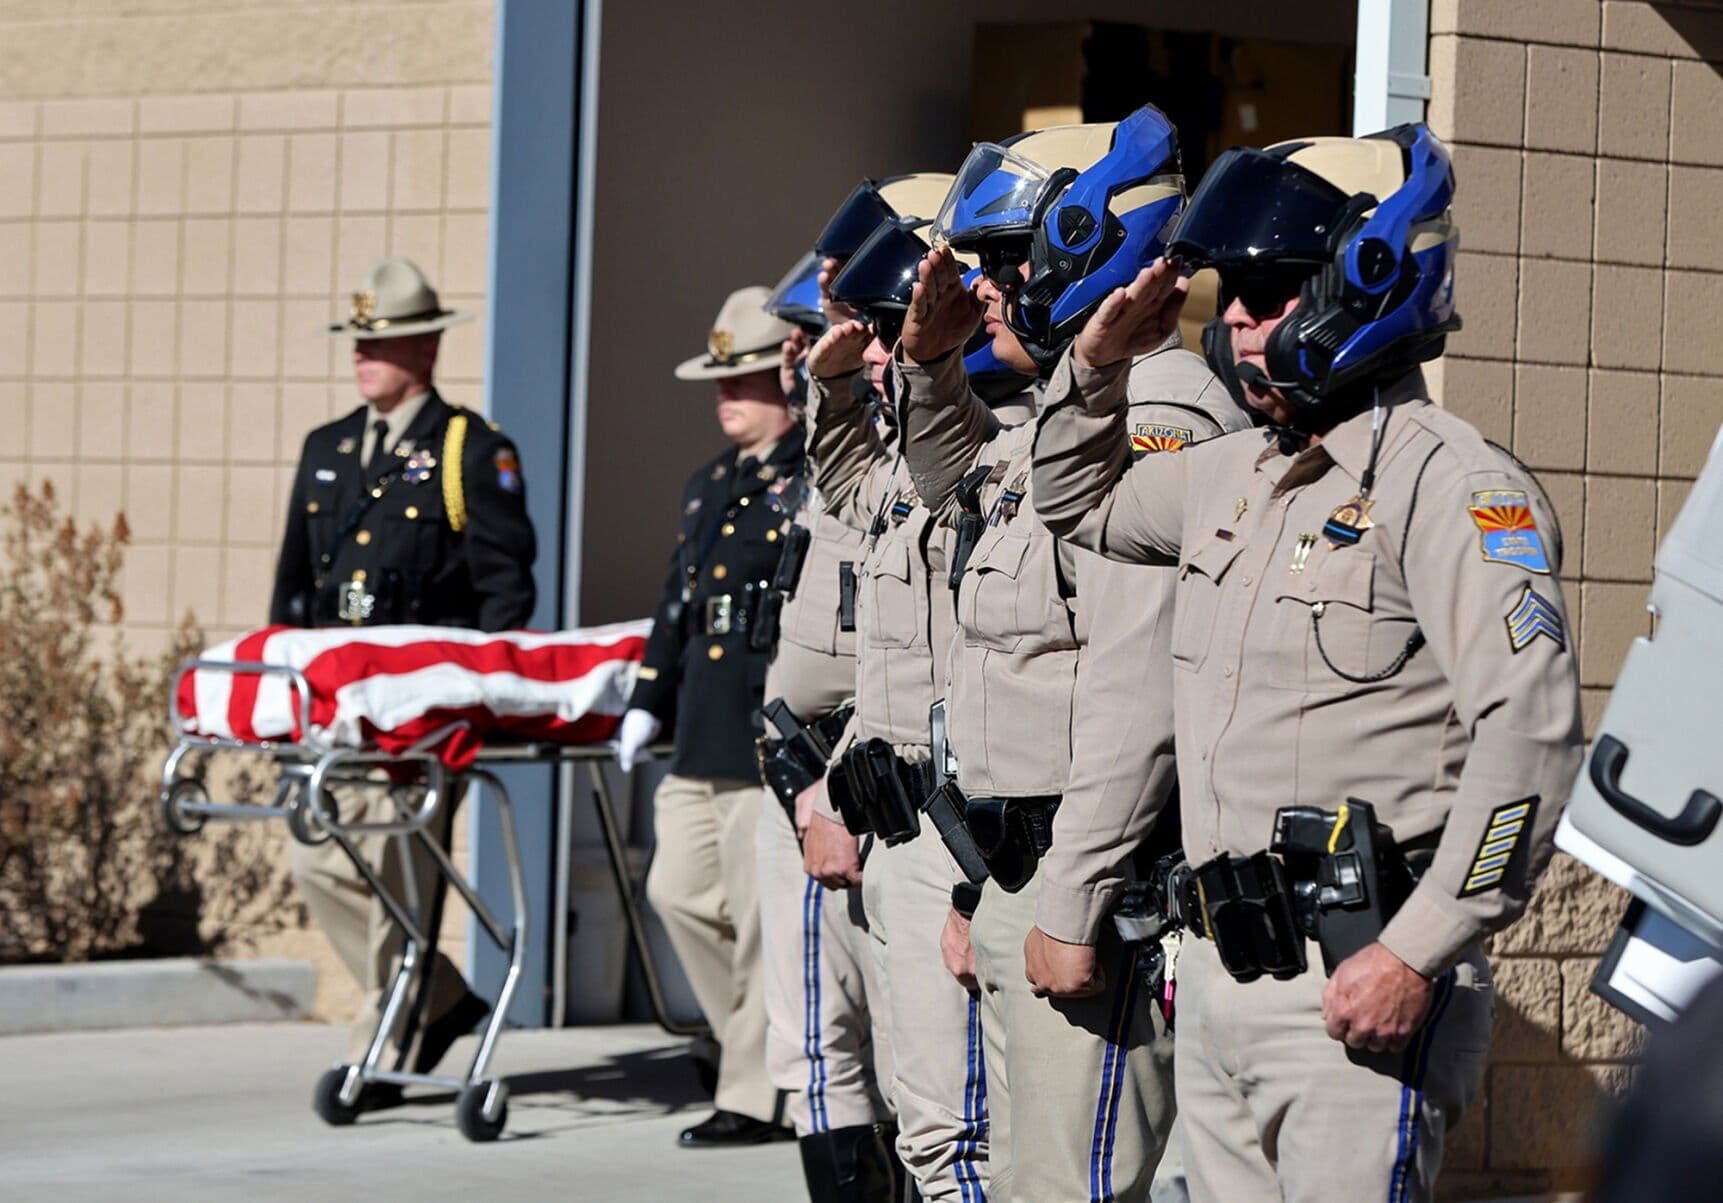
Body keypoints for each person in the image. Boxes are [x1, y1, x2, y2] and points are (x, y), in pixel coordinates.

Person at [1029, 125, 1584, 1203]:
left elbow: (1532, 743)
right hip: (1225, 976)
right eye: (1228, 289)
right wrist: (1094, 363)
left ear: (1366, 279)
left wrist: (1420, 949)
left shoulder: (1456, 485)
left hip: (1359, 978)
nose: (1232, 316)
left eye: (1269, 289)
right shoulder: (1233, 474)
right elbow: (1072, 500)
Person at [898, 107, 1252, 1202]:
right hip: (1021, 869)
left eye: (1006, 263)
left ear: (1084, 248)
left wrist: (1073, 899)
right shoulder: (1058, 417)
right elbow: (945, 478)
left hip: (1087, 885)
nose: (988, 289)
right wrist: (923, 358)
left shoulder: (1157, 413)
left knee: (1071, 1189)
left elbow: (1134, 689)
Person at [798, 172, 1037, 1203]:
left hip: (954, 845)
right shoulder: (910, 463)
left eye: (882, 328)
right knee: (926, 1133)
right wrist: (837, 386)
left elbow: (979, 677)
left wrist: (972, 889)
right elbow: (851, 491)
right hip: (890, 830)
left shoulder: (999, 451)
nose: (873, 347)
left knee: (962, 1141)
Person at [271, 255, 535, 1083]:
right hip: (335, 710)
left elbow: (505, 591)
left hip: (421, 716)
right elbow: (294, 590)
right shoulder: (328, 449)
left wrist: (472, 707)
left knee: (398, 872)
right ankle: (439, 997)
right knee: (317, 860)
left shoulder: (470, 450)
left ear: (425, 348)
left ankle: (380, 1048)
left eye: (380, 342)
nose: (363, 355)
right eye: (357, 341)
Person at [616, 286, 805, 1147]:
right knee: (678, 893)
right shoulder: (710, 483)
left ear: (788, 376)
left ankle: (752, 1094)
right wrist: (644, 700)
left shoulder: (813, 473)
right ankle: (741, 1041)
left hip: (764, 734)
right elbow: (677, 605)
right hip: (698, 731)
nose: (727, 396)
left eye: (747, 379)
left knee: (761, 917)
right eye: (720, 382)